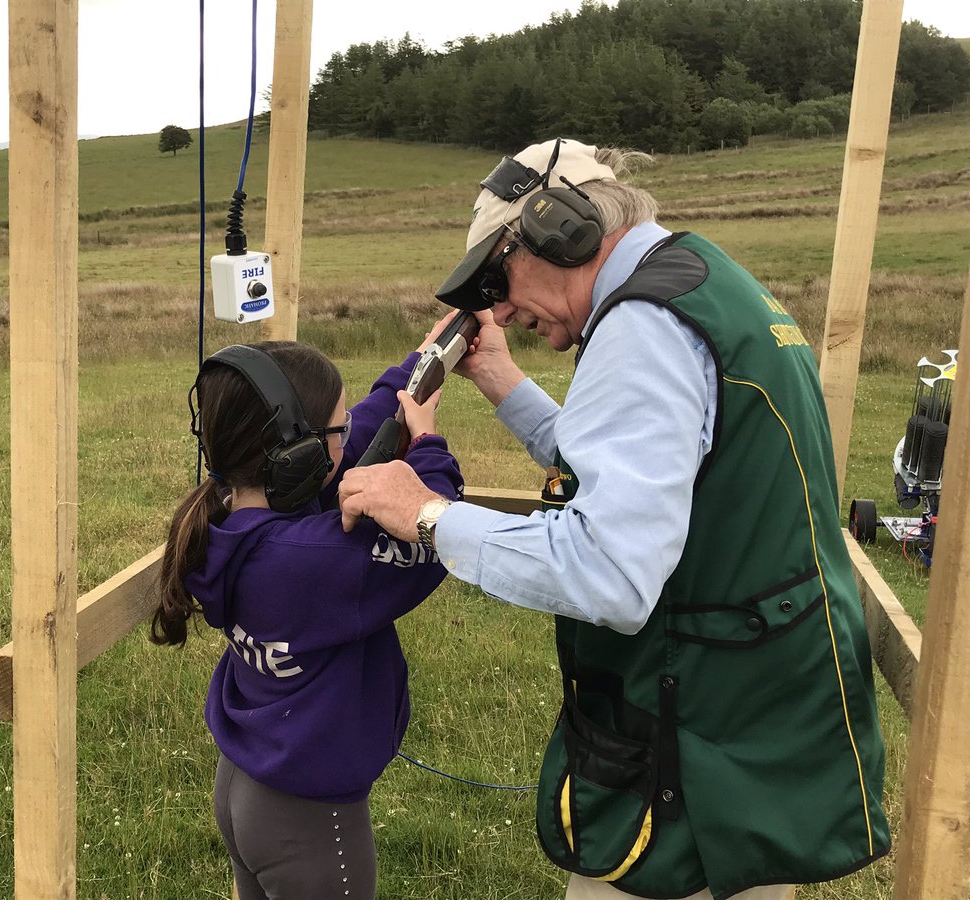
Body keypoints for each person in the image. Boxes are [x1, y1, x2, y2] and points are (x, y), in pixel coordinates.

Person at [338, 138, 889, 900]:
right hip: (750, 728)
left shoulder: (642, 328)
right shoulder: (699, 283)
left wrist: (426, 513)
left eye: (497, 276)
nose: (496, 308)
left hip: (694, 744)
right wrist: (500, 379)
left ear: (561, 229)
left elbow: (609, 572)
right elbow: (640, 472)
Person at [151, 338, 462, 900]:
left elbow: (365, 424)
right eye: (336, 430)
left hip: (248, 783)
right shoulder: (315, 562)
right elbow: (437, 527)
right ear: (298, 456)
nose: (349, 436)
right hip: (310, 822)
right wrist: (428, 445)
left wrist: (420, 364)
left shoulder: (228, 523)